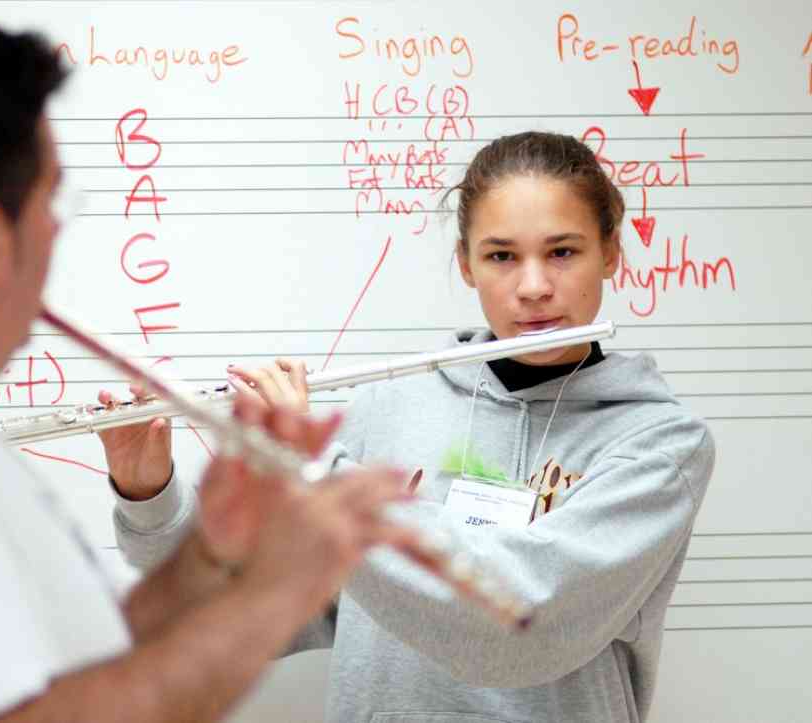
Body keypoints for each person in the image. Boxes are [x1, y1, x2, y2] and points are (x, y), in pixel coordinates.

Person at [0, 23, 439, 723]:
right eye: (54, 202)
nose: (56, 231)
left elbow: (72, 658)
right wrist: (281, 586)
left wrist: (208, 556)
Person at [106, 131, 715, 722]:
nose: (534, 287)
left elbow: (517, 624)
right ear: (468, 265)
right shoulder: (382, 409)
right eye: (501, 255)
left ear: (610, 253)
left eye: (563, 251)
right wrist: (149, 494)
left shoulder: (660, 444)